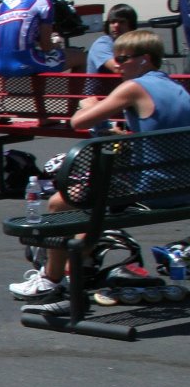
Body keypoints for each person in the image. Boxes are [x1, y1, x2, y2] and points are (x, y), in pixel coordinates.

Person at [11, 30, 190, 304]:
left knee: (60, 203)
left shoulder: (134, 87)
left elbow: (79, 123)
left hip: (151, 193)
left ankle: (51, 279)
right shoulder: (177, 89)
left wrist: (87, 104)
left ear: (145, 59)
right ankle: (78, 263)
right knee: (89, 206)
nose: (116, 64)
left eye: (123, 58)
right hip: (182, 187)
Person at [0, 0, 75, 78]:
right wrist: (57, 45)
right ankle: (78, 97)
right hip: (24, 62)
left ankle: (38, 97)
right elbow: (46, 46)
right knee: (80, 56)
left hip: (0, 64)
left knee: (40, 56)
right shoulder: (42, 2)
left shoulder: (6, 1)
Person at [86, 4, 138, 74]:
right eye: (113, 22)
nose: (116, 25)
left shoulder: (136, 43)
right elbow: (119, 69)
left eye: (122, 22)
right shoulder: (102, 44)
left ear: (131, 25)